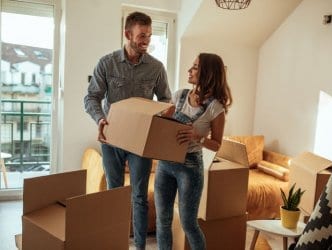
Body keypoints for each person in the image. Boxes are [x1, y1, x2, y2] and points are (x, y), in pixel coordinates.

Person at [84, 11, 171, 250]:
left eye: (149, 36)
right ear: (127, 34)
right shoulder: (107, 63)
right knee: (115, 196)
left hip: (141, 143)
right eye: (142, 35)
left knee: (140, 198)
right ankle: (116, 244)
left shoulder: (156, 68)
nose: (147, 40)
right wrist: (100, 119)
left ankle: (140, 246)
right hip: (111, 140)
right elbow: (92, 97)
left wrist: (159, 119)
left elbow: (166, 100)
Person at [154, 53, 232, 250]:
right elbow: (164, 125)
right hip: (165, 164)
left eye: (195, 67)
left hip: (189, 167)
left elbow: (216, 144)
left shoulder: (216, 108)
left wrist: (198, 137)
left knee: (189, 223)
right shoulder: (179, 95)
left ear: (207, 73)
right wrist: (162, 118)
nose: (189, 70)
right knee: (162, 220)